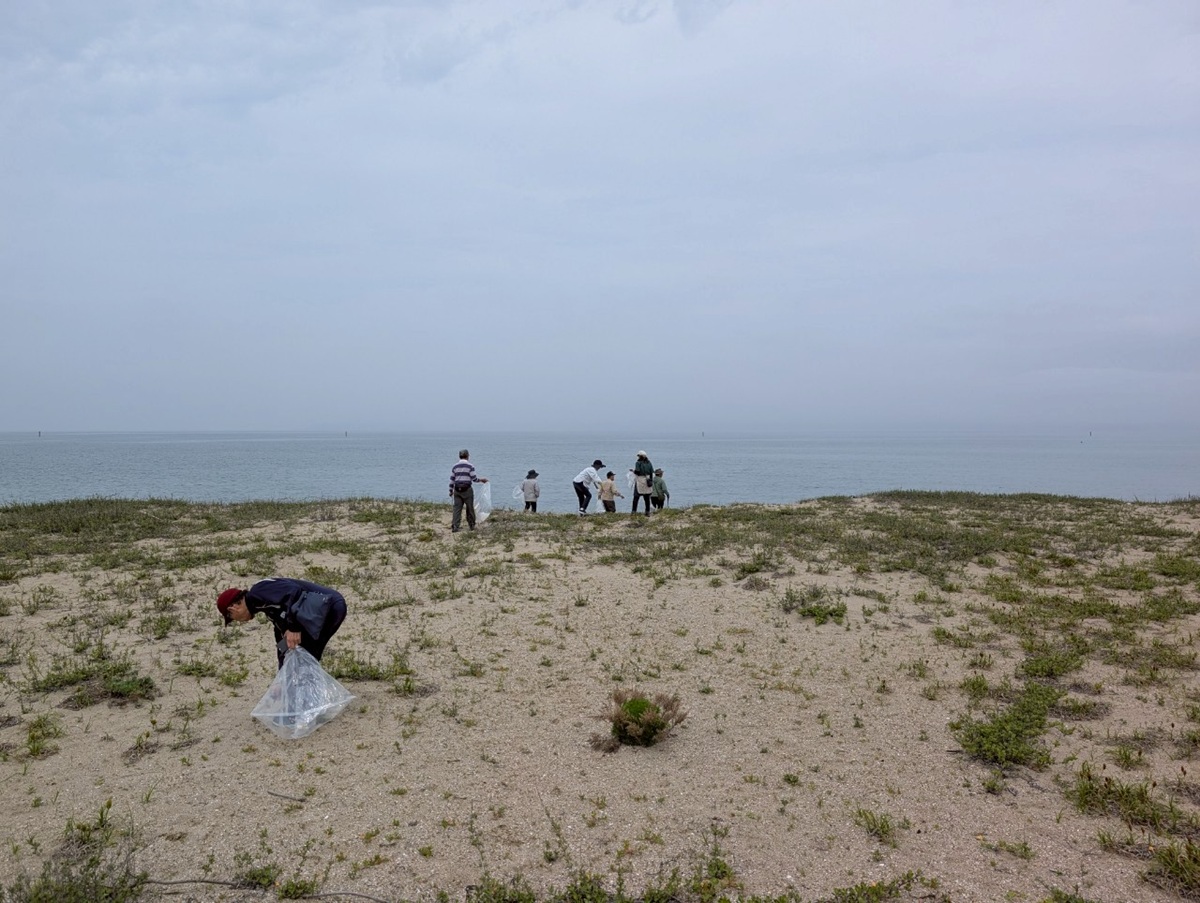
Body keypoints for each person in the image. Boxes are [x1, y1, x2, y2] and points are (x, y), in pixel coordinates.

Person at [217, 579, 348, 669]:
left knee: (308, 654)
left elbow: (295, 591)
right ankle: (298, 694)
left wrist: (293, 628)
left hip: (330, 607)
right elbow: (280, 636)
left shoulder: (258, 591)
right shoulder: (263, 606)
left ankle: (309, 699)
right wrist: (281, 671)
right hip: (319, 613)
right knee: (300, 654)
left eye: (232, 618)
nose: (237, 621)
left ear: (233, 609)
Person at [449, 449, 488, 532]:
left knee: (457, 508)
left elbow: (452, 479)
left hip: (457, 489)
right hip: (467, 489)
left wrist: (450, 490)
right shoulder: (470, 466)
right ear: (467, 456)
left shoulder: (455, 466)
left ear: (459, 456)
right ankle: (471, 525)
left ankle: (455, 526)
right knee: (469, 508)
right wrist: (481, 480)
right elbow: (474, 478)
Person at [630, 450, 653, 515]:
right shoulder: (649, 463)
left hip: (640, 480)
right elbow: (651, 472)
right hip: (647, 480)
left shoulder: (638, 463)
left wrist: (633, 471)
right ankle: (647, 512)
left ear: (640, 456)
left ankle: (634, 512)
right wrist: (651, 481)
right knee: (647, 497)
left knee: (636, 497)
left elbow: (637, 472)